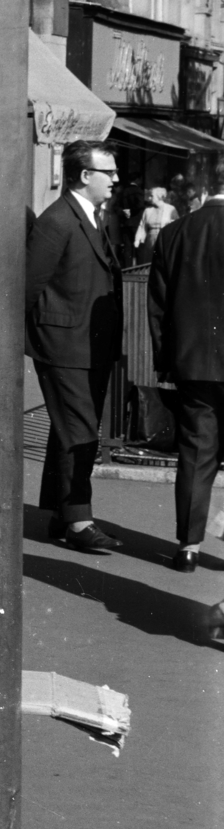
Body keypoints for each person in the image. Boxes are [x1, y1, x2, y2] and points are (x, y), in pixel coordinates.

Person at [26, 139, 124, 554]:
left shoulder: (90, 216)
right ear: (85, 176)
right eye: (110, 173)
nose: (117, 180)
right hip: (64, 343)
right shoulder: (58, 220)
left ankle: (58, 514)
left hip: (86, 343)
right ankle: (79, 521)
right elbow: (29, 285)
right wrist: (38, 342)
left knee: (68, 429)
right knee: (80, 431)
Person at [147, 151, 224, 572]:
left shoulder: (175, 233)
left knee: (196, 452)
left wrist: (164, 363)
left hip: (193, 365)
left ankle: (188, 545)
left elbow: (158, 307)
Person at [133, 186, 178, 262]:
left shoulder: (171, 209)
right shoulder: (147, 210)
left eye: (151, 196)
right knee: (150, 261)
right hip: (151, 241)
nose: (149, 198)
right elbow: (142, 226)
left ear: (159, 196)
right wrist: (137, 239)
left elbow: (177, 224)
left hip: (165, 240)